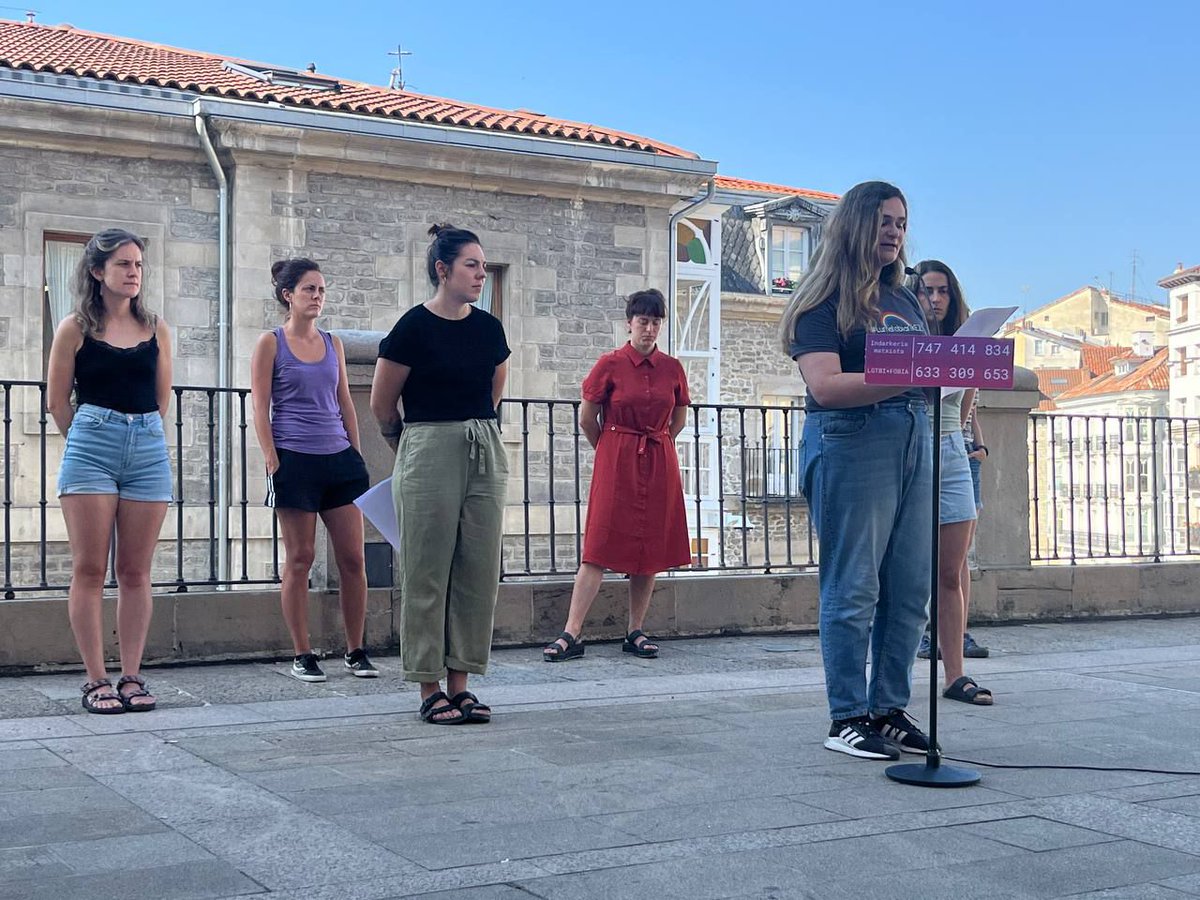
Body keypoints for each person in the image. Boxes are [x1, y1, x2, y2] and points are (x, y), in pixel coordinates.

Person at [780, 181, 934, 760]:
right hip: (853, 440)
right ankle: (846, 715)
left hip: (912, 435)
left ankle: (888, 708)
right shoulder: (822, 301)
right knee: (854, 586)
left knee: (910, 587)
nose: (894, 231)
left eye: (901, 220)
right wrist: (917, 374)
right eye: (883, 221)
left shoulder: (907, 299)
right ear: (855, 226)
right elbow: (824, 385)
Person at [370, 225, 509, 725]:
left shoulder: (489, 329)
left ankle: (462, 682)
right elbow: (382, 405)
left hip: (482, 446)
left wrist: (472, 435)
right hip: (427, 444)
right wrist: (413, 447)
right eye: (471, 264)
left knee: (477, 567)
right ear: (442, 269)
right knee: (426, 569)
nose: (480, 274)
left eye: (483, 264)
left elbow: (493, 393)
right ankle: (429, 686)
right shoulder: (412, 327)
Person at [46, 228, 173, 714]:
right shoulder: (74, 327)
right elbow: (59, 402)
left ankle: (133, 676)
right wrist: (90, 436)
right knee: (90, 567)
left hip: (146, 446)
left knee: (136, 570)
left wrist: (135, 432)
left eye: (138, 264)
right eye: (123, 264)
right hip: (91, 444)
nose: (133, 272)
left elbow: (161, 400)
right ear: (98, 272)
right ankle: (96, 679)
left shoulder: (157, 328)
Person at [542, 289, 691, 663]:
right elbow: (586, 417)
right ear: (629, 323)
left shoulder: (672, 368)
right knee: (598, 544)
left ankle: (635, 630)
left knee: (649, 550)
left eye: (656, 322)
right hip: (617, 457)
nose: (650, 329)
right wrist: (611, 449)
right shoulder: (609, 364)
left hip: (658, 459)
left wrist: (657, 443)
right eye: (643, 321)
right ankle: (571, 632)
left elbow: (679, 418)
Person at [250, 258, 374, 683]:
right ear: (289, 295)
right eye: (309, 290)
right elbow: (260, 405)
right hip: (294, 459)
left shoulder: (333, 343)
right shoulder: (271, 343)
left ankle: (356, 649)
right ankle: (303, 653)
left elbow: (344, 402)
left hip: (338, 459)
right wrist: (271, 457)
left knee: (353, 559)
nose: (317, 297)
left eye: (321, 290)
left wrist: (356, 456)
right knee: (300, 558)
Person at [911, 260, 993, 705]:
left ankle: (956, 675)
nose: (936, 299)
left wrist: (958, 443)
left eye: (943, 291)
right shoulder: (902, 337)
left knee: (951, 570)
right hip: (909, 446)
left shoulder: (965, 344)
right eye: (927, 291)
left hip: (949, 449)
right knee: (904, 571)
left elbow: (964, 409)